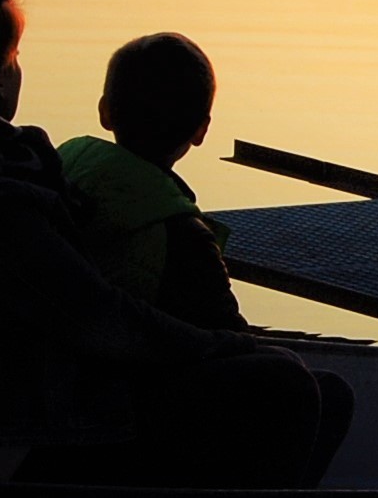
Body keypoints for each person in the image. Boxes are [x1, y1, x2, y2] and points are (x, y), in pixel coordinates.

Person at [0, 0, 349, 488]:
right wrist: (222, 346)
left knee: (319, 389)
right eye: (13, 57)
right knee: (286, 384)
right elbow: (99, 319)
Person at [56, 32, 247, 330]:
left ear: (104, 111)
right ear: (201, 131)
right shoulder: (185, 239)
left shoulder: (52, 170)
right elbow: (231, 339)